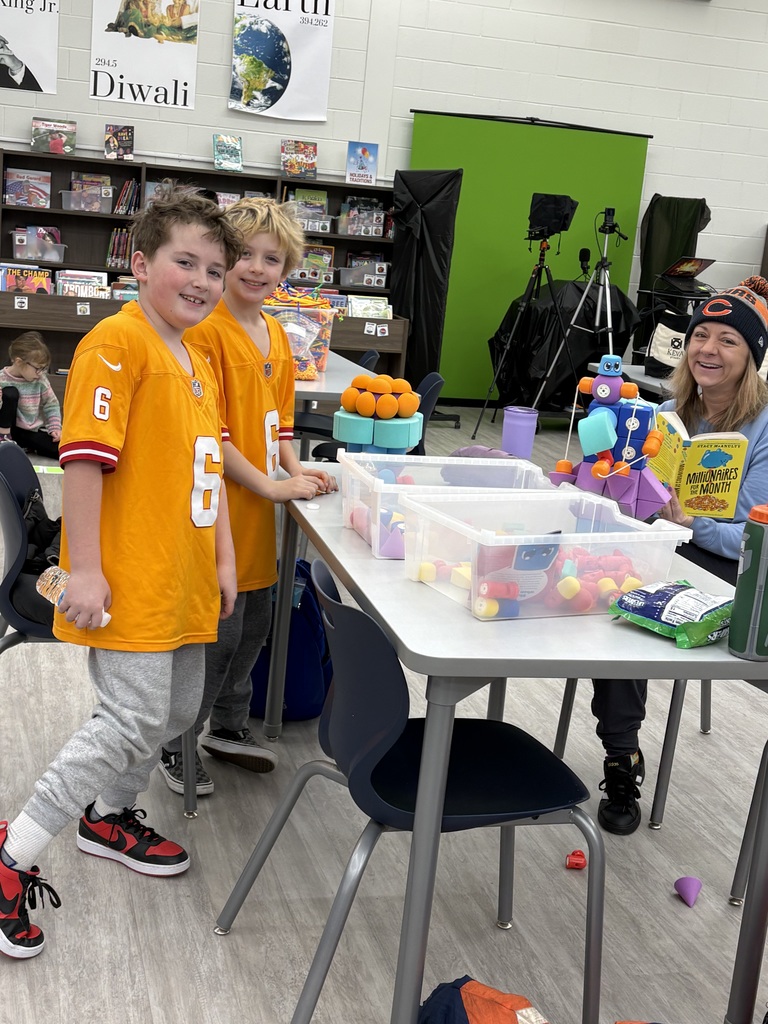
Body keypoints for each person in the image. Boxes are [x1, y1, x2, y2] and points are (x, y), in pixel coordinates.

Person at [0, 188, 243, 959]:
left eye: (214, 269)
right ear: (140, 264)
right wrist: (85, 571)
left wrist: (225, 557)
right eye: (185, 262)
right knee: (132, 718)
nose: (202, 281)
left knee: (178, 708)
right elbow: (82, 463)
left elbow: (209, 469)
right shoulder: (118, 341)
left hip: (185, 576)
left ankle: (108, 815)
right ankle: (13, 852)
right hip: (130, 576)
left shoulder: (197, 354)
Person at [159, 197, 336, 796]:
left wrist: (299, 472)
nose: (258, 269)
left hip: (259, 515)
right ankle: (177, 740)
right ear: (224, 260)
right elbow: (214, 435)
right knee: (219, 634)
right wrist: (271, 484)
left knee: (256, 624)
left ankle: (228, 725)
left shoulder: (279, 335)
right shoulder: (204, 333)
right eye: (246, 256)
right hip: (216, 512)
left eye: (273, 259)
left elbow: (279, 426)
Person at [593, 275, 768, 836]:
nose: (708, 350)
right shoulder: (668, 412)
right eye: (700, 336)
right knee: (614, 594)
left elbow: (753, 537)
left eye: (728, 340)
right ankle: (622, 753)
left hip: (731, 568)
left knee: (639, 600)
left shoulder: (765, 426)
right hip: (665, 544)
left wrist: (694, 525)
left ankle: (619, 753)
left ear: (752, 357)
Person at [0, 332, 61, 459]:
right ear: (19, 362)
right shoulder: (1, 379)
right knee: (10, 392)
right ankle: (4, 439)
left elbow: (51, 405)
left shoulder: (40, 380)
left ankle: (23, 446)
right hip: (5, 429)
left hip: (28, 432)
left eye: (43, 369)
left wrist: (55, 427)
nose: (40, 373)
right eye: (37, 368)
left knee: (60, 449)